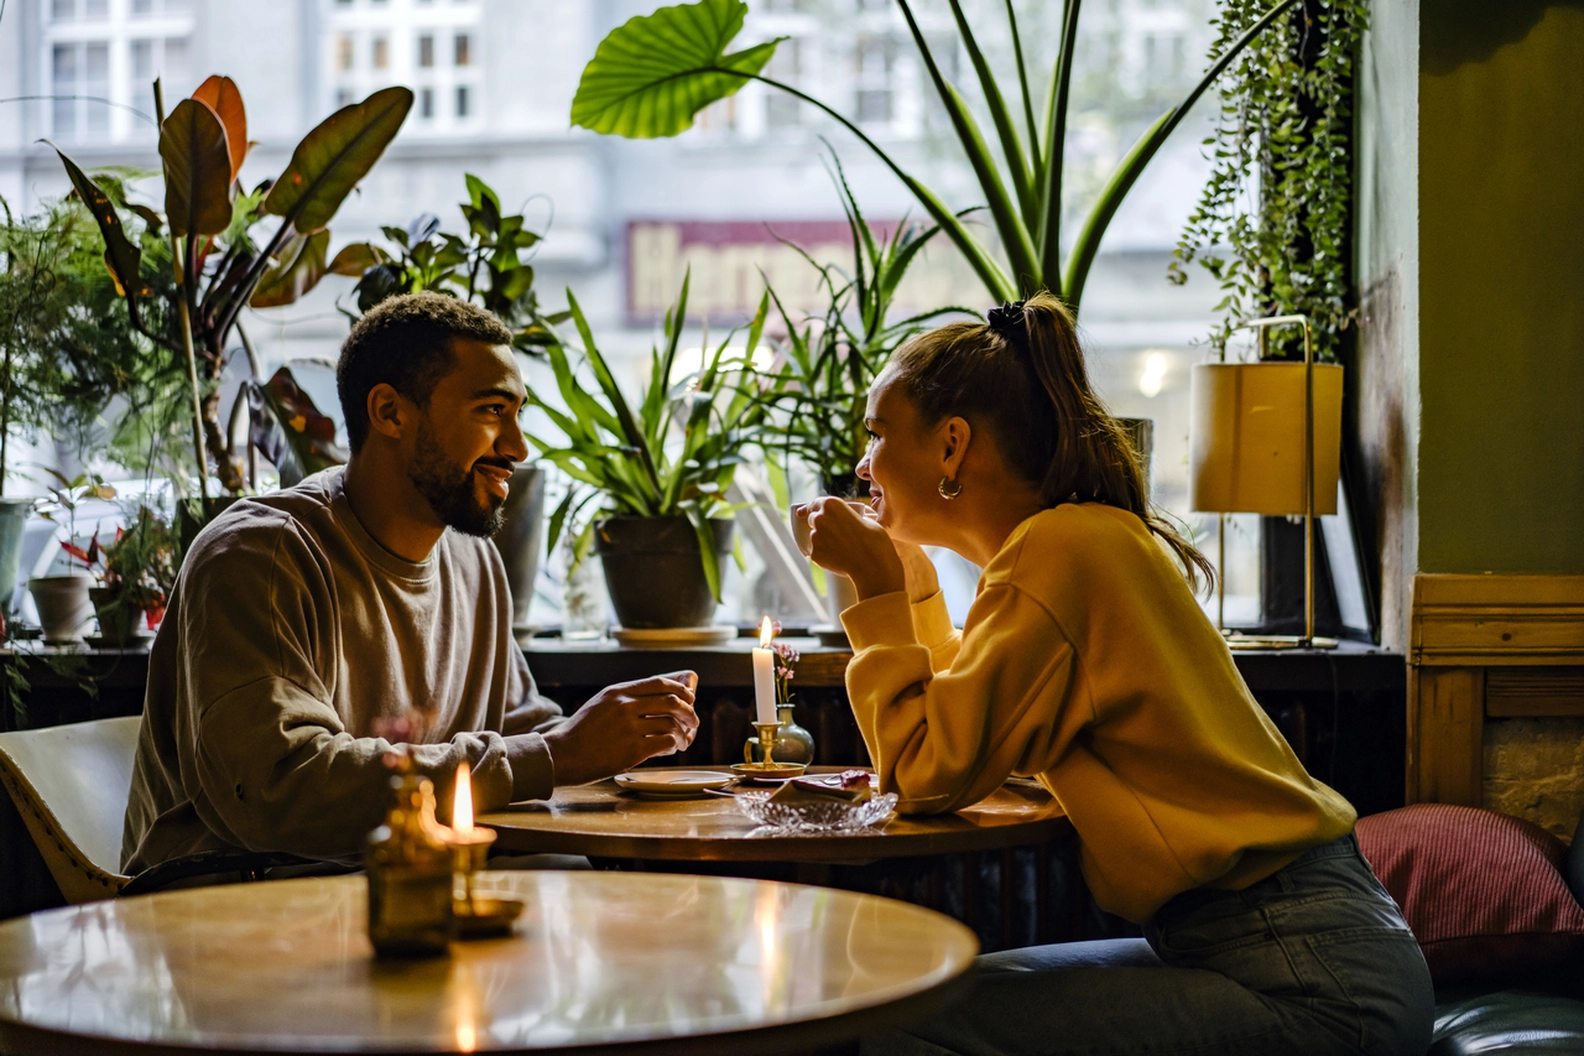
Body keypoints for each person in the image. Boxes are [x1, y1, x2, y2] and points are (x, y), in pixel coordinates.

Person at [796, 293, 1433, 1056]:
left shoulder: (1061, 551)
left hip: (1310, 981)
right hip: (1283, 949)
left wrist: (876, 592)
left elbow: (927, 774)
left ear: (952, 446)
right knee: (918, 996)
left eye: (877, 434)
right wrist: (914, 587)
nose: (863, 463)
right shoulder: (1075, 544)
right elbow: (968, 718)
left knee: (894, 1021)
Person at [123, 293, 699, 874]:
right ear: (390, 413)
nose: (518, 448)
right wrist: (554, 754)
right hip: (231, 899)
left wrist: (623, 749)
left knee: (594, 884)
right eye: (491, 411)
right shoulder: (258, 555)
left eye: (517, 413)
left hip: (399, 876)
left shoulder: (474, 563)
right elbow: (281, 789)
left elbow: (522, 732)